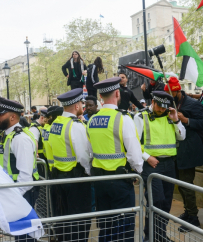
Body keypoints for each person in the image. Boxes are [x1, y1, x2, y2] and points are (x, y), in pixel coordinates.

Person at [88, 77, 143, 242]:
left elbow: (90, 152)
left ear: (101, 97)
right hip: (119, 180)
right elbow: (134, 154)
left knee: (105, 224)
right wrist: (137, 172)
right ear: (117, 93)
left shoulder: (92, 120)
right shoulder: (123, 118)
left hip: (99, 179)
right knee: (124, 225)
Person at [0, 97, 39, 242]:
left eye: (1, 114)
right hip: (13, 190)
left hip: (21, 192)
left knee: (25, 236)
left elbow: (26, 176)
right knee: (19, 234)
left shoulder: (20, 139)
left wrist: (13, 196)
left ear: (13, 117)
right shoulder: (6, 135)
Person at [134, 91, 186, 242]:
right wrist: (147, 157)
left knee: (166, 203)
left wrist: (176, 120)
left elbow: (181, 136)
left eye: (164, 107)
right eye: (159, 106)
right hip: (151, 164)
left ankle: (160, 236)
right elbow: (133, 143)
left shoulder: (170, 116)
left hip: (169, 164)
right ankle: (149, 236)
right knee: (155, 201)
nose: (161, 110)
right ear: (152, 101)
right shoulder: (140, 116)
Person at [164, 77, 203, 231]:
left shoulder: (193, 103)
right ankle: (188, 211)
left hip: (189, 150)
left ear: (177, 91)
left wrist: (186, 119)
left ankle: (194, 218)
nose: (168, 98)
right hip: (174, 151)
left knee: (186, 185)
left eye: (171, 94)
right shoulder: (169, 104)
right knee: (181, 185)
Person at [48, 88, 92, 242]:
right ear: (77, 106)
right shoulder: (75, 126)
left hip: (59, 178)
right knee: (79, 224)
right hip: (76, 181)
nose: (83, 106)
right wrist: (88, 173)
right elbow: (83, 156)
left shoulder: (56, 124)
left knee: (63, 222)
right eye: (81, 103)